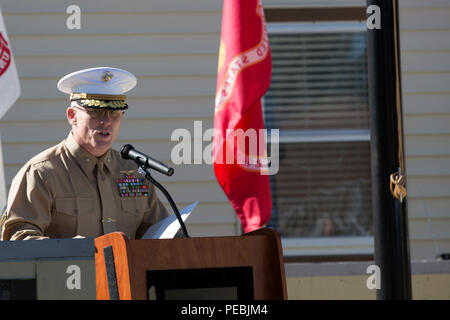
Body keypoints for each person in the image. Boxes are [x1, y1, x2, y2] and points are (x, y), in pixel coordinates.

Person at [0, 67, 169, 240]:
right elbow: (18, 238)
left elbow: (160, 234)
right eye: (95, 112)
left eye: (114, 113)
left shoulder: (133, 171)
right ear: (72, 116)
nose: (106, 121)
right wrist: (73, 250)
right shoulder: (41, 173)